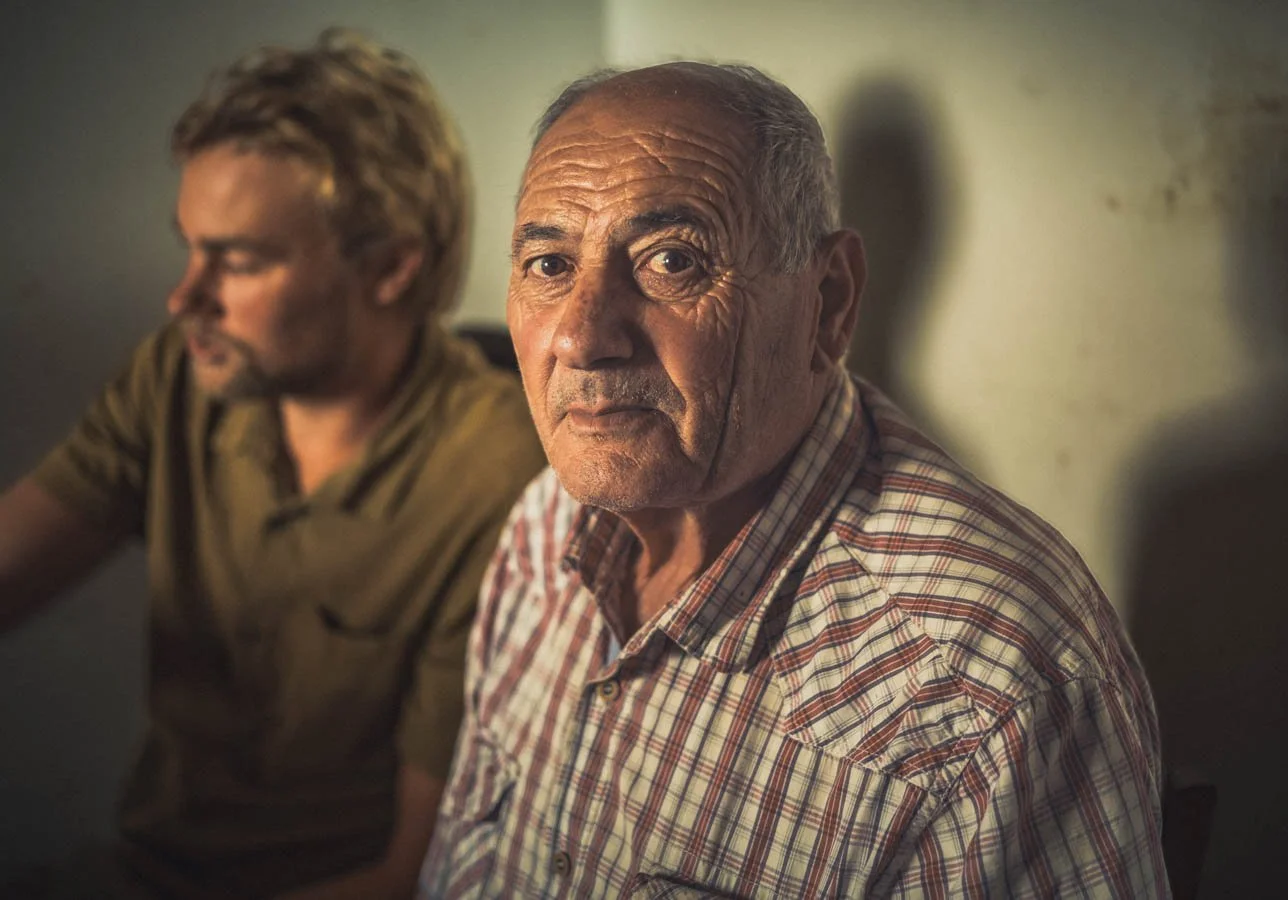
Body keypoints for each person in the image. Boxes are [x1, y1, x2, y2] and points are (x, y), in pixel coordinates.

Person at [420, 62, 1168, 898]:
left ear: (830, 302)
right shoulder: (541, 529)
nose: (584, 336)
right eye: (549, 264)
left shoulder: (984, 678)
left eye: (672, 259)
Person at [0, 30, 544, 899]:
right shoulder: (178, 375)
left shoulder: (499, 474)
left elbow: (414, 874)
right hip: (140, 869)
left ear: (393, 265)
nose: (185, 297)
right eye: (190, 245)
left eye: (240, 259)